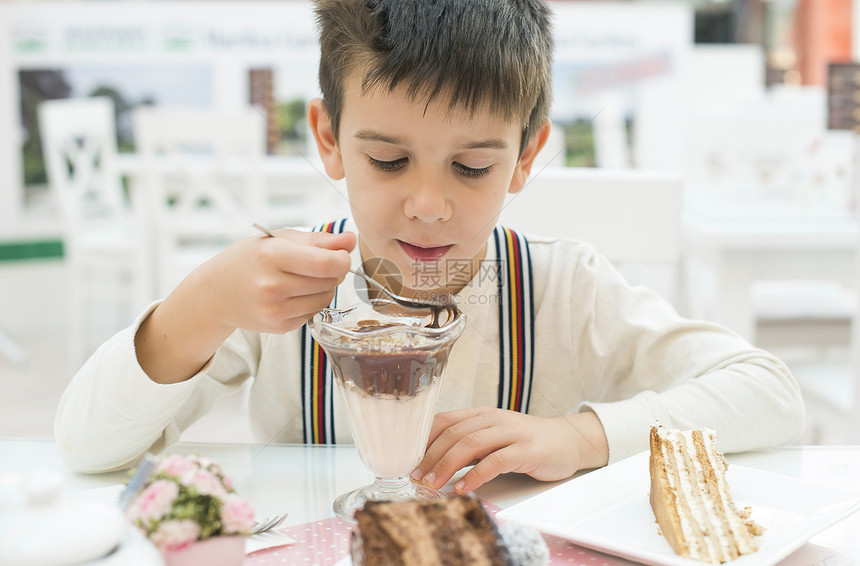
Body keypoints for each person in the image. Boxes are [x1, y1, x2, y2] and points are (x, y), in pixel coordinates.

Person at [55, 0, 804, 497]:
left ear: (525, 155)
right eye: (388, 160)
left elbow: (768, 394)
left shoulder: (561, 288)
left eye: (472, 167)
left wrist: (581, 436)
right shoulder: (282, 294)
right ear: (328, 137)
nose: (427, 206)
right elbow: (89, 449)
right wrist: (198, 306)